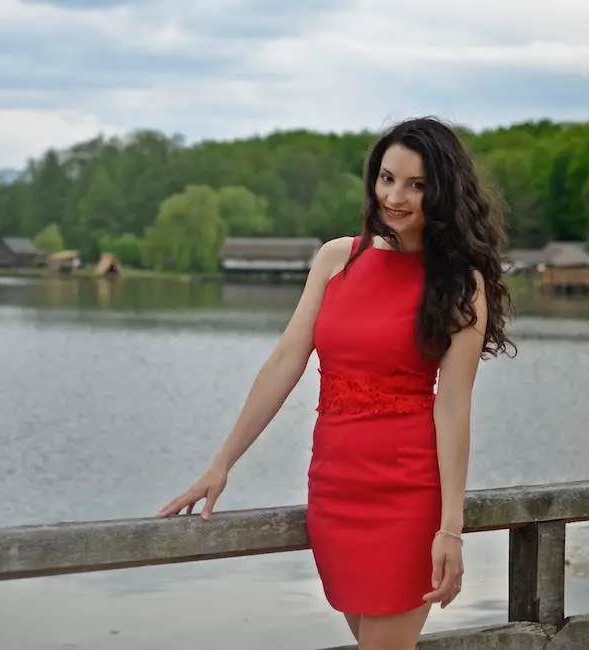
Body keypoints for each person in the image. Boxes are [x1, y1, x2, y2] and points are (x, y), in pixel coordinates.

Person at [157, 116, 516, 649]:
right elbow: (285, 363)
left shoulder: (462, 285)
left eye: (416, 185)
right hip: (334, 489)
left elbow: (453, 409)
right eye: (387, 178)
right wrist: (221, 463)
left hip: (407, 494)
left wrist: (450, 528)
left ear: (443, 192)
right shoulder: (337, 257)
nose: (395, 196)